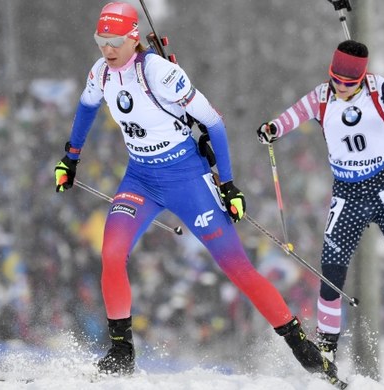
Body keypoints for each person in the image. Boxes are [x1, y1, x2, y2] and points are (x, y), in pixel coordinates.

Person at [54, 2, 341, 383]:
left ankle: (304, 349)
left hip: (187, 178)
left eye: (114, 42)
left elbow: (214, 123)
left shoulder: (159, 73)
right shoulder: (101, 74)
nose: (107, 50)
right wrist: (70, 158)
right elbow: (86, 108)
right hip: (140, 179)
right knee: (111, 253)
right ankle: (121, 353)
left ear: (133, 37)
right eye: (100, 41)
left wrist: (228, 184)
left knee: (236, 268)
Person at [255, 40, 384, 365]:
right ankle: (326, 351)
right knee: (331, 273)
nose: (340, 87)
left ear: (361, 79)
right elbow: (292, 117)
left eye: (348, 83)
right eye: (335, 78)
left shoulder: (378, 88)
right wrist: (272, 129)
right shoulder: (322, 95)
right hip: (348, 193)